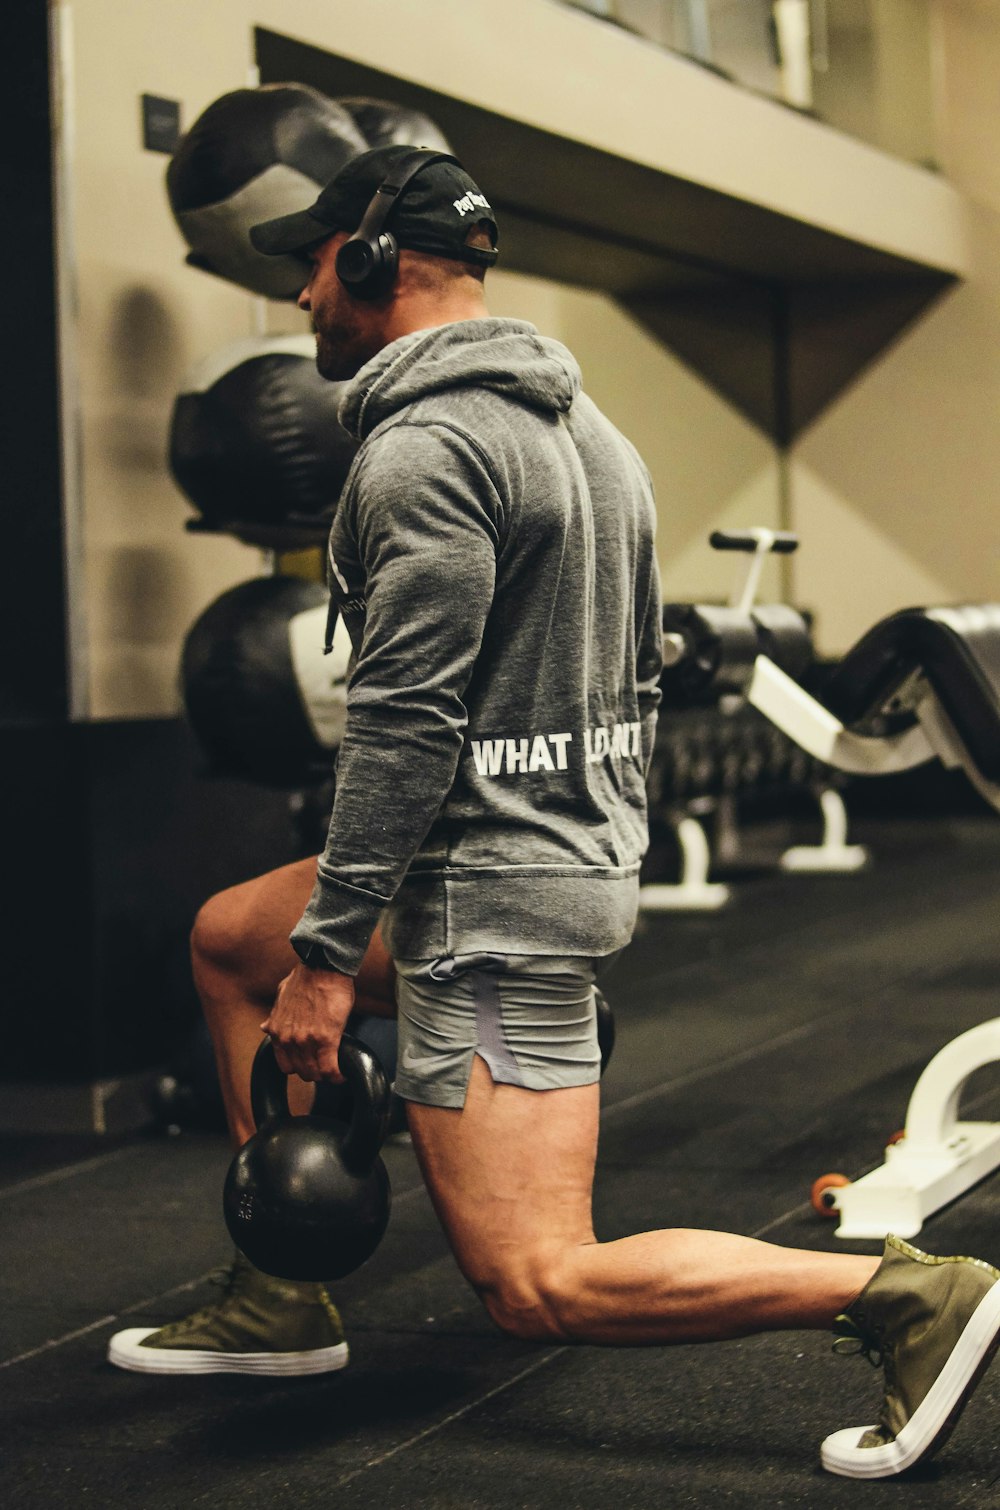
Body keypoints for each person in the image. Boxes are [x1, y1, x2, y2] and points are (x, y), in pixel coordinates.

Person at [109, 145, 1000, 1481]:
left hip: (482, 895)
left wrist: (328, 958)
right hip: (531, 856)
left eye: (313, 260)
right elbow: (623, 678)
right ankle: (282, 1289)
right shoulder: (600, 440)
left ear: (371, 261)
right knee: (230, 932)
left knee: (538, 1276)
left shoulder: (423, 453)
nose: (299, 295)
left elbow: (405, 726)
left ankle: (905, 1298)